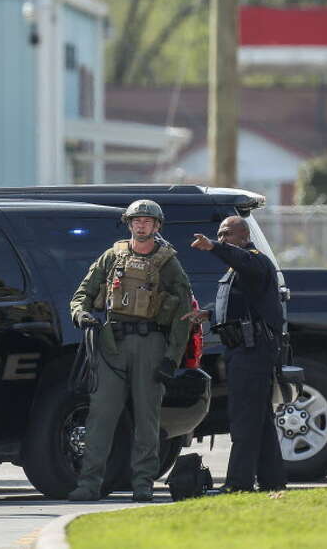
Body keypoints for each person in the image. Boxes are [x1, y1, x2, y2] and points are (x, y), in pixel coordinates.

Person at [67, 199, 193, 502]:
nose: (141, 225)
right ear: (129, 223)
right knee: (101, 416)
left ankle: (143, 484)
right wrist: (81, 314)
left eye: (147, 221)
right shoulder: (112, 256)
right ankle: (89, 484)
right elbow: (82, 293)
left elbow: (184, 313)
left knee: (147, 419)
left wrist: (171, 358)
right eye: (136, 220)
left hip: (151, 344)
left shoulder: (168, 263)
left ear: (157, 226)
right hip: (112, 343)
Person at [182, 216, 286, 493]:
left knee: (243, 419)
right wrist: (207, 314)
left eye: (227, 234)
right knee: (259, 420)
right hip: (242, 349)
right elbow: (239, 304)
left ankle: (238, 484)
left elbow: (244, 262)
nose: (223, 237)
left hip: (253, 352)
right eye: (220, 234)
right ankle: (272, 480)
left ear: (243, 235)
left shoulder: (255, 261)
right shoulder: (239, 269)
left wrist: (214, 246)